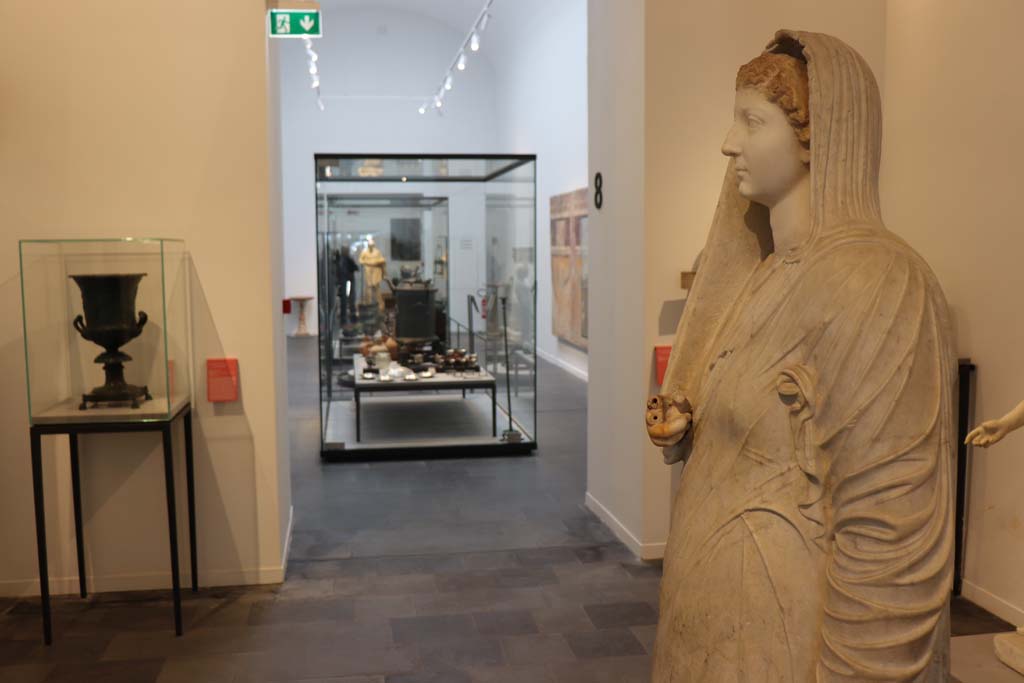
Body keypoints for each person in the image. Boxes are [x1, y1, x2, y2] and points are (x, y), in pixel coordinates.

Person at [646, 30, 956, 681]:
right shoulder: (763, 274)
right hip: (718, 617)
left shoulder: (878, 281)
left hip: (782, 633)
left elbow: (890, 529)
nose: (728, 143)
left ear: (820, 136)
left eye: (753, 121)